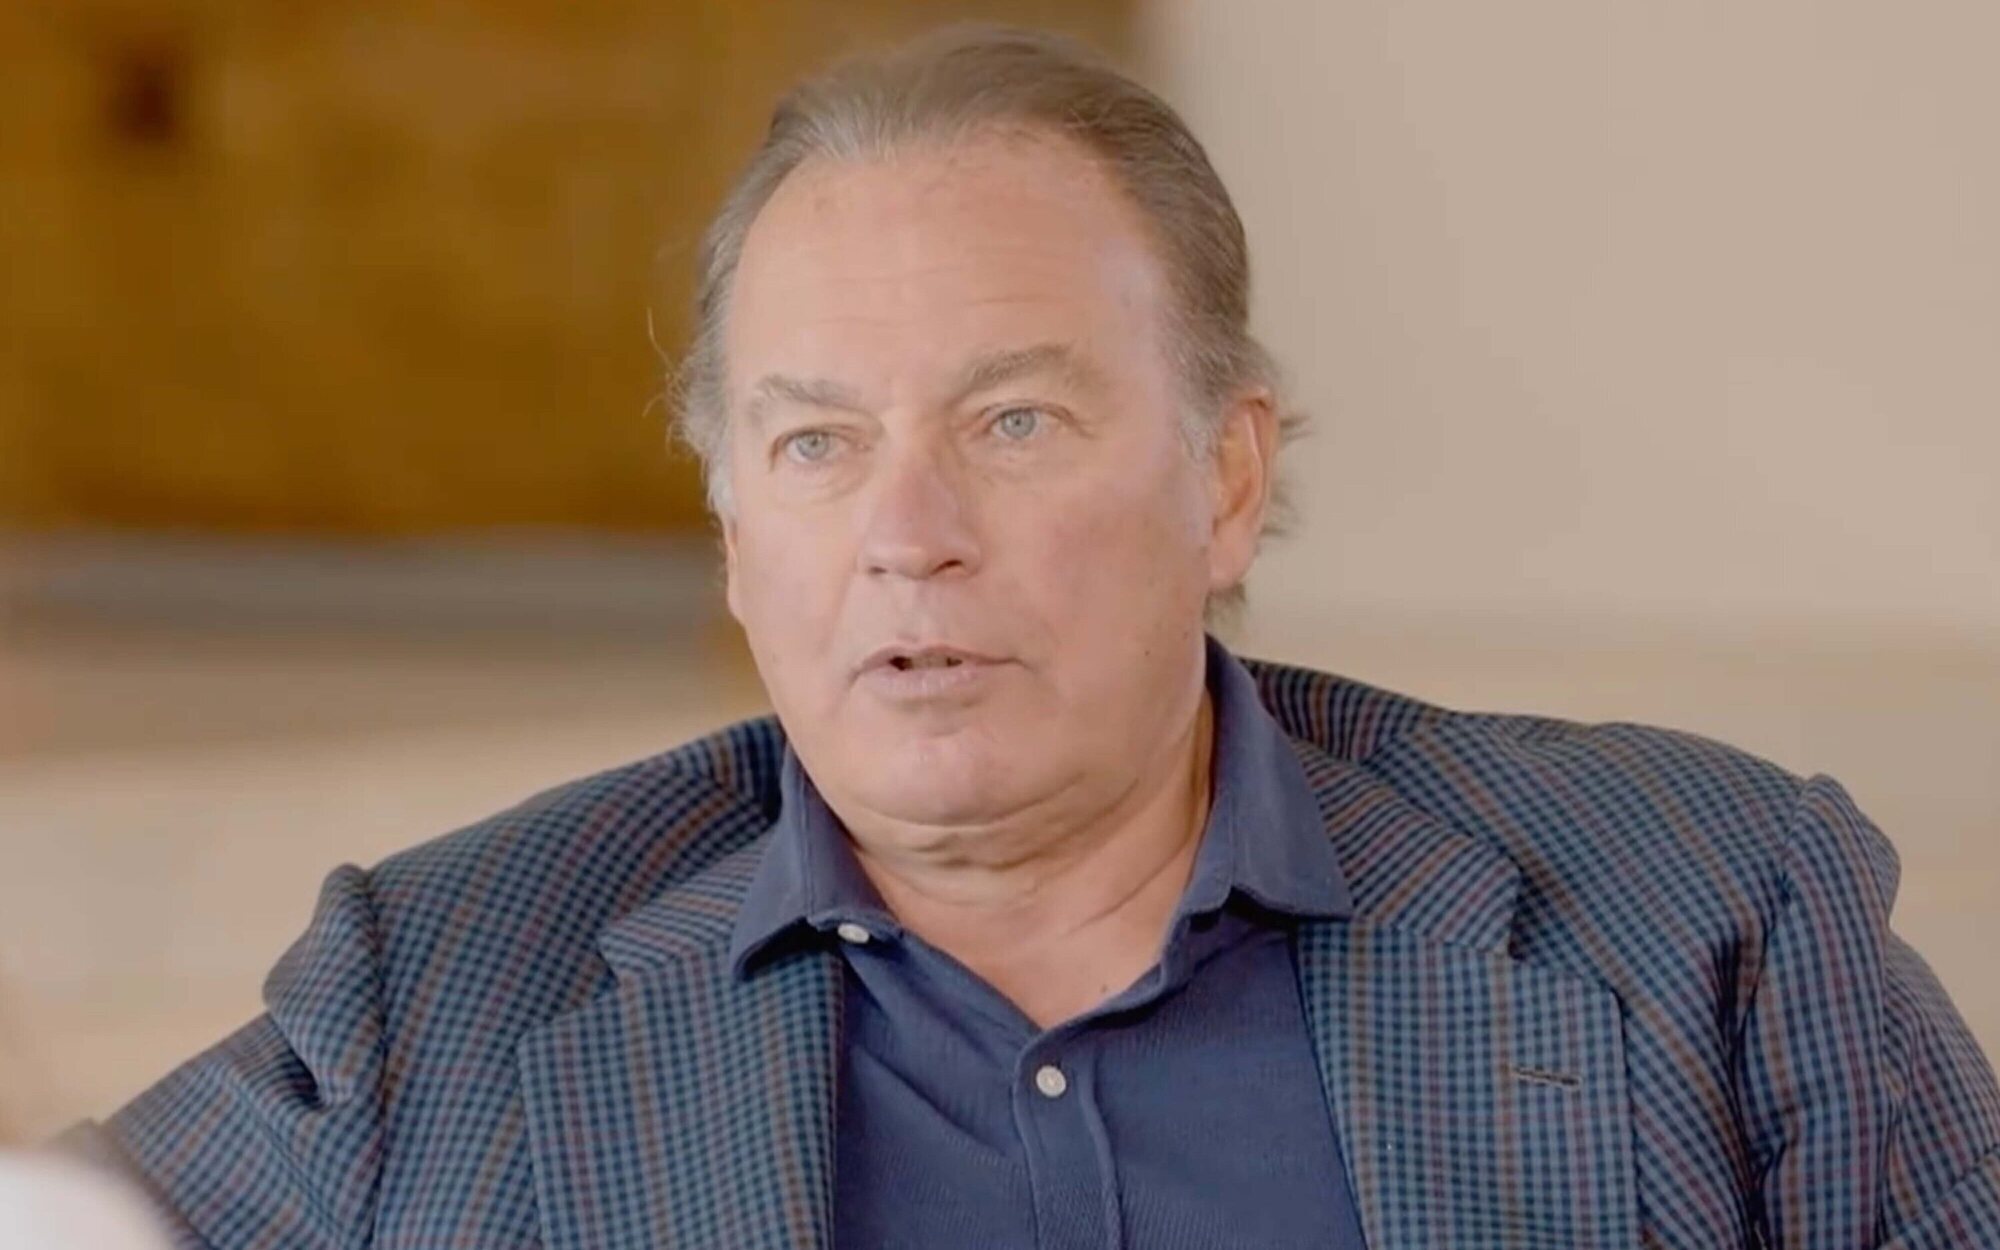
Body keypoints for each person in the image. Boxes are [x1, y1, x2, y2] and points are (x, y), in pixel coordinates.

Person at [65, 24, 1998, 1249]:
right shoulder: (442, 997)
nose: (907, 536)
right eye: (816, 445)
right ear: (734, 535)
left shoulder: (1707, 920)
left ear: (1226, 478)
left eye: (1012, 423)